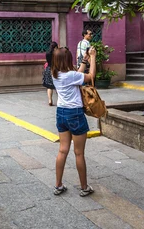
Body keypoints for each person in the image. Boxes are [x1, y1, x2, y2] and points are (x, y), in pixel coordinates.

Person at [51, 45, 96, 197]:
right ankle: (84, 187)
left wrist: (84, 61)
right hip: (75, 114)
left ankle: (58, 185)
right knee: (79, 153)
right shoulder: (71, 75)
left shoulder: (54, 74)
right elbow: (91, 76)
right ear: (67, 60)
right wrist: (93, 57)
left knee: (62, 150)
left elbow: (76, 75)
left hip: (61, 113)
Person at [42, 41, 58, 106]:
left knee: (49, 86)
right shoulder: (56, 54)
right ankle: (60, 99)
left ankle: (50, 100)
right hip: (55, 69)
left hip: (48, 69)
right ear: (55, 47)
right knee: (57, 85)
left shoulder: (48, 53)